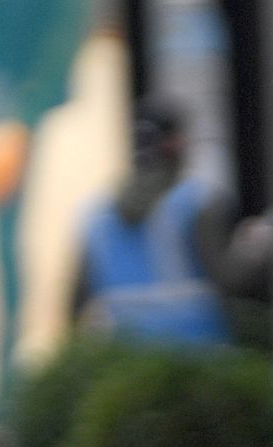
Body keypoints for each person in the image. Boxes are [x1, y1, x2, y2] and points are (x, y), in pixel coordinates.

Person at [73, 97, 233, 345]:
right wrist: (262, 248)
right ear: (176, 143)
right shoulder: (196, 201)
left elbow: (76, 301)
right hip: (198, 356)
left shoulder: (97, 214)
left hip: (126, 358)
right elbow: (228, 277)